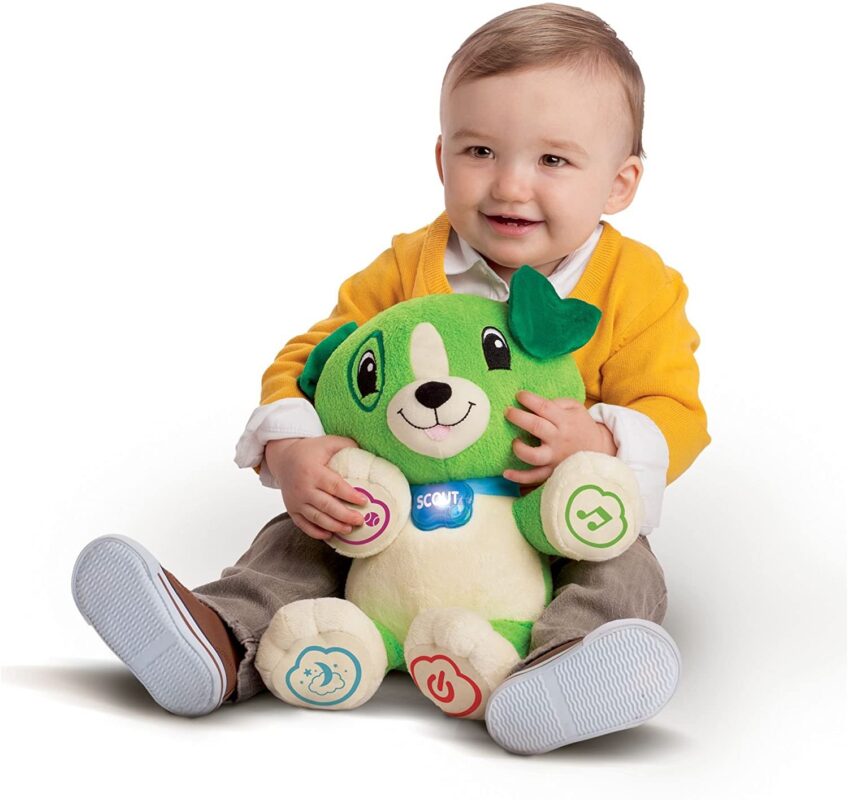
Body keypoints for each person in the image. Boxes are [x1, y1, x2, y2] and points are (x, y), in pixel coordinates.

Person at [72, 4, 709, 753]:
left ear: (619, 183)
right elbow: (314, 355)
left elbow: (674, 408)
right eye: (480, 150)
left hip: (544, 514)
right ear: (441, 159)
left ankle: (564, 666)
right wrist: (293, 449)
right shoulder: (410, 264)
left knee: (618, 560)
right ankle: (219, 638)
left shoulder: (639, 286)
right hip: (397, 519)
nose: (510, 186)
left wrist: (600, 440)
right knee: (305, 533)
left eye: (553, 161)